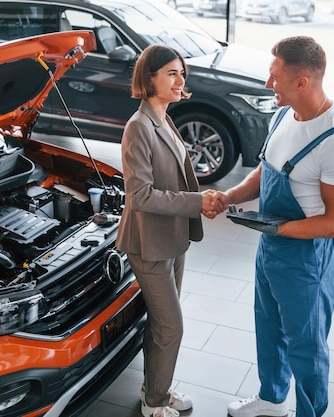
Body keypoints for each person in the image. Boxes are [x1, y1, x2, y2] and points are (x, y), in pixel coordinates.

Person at [215, 36, 334, 417]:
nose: (268, 84)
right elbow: (267, 171)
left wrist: (278, 231)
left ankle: (309, 413)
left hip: (305, 258)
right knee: (268, 327)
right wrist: (229, 197)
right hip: (270, 249)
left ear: (302, 83)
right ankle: (272, 399)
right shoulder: (283, 115)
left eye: (274, 77)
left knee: (307, 345)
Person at [115, 44, 218, 417]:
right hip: (149, 243)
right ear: (150, 77)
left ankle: (155, 387)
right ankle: (153, 403)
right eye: (171, 73)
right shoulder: (138, 127)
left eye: (182, 73)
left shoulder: (164, 117)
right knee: (171, 326)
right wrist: (196, 202)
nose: (180, 80)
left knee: (162, 323)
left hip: (173, 237)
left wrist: (201, 201)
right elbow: (139, 195)